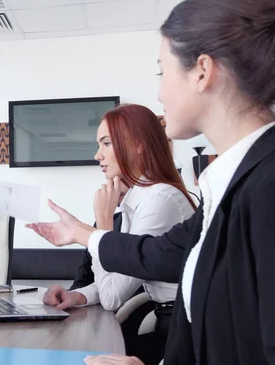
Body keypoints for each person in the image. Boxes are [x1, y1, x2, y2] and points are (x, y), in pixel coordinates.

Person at [28, 0, 275, 365]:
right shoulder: (230, 185)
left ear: (202, 72)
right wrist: (80, 231)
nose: (158, 93)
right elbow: (158, 254)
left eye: (162, 72)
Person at [41, 105, 195, 365]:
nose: (97, 155)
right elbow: (114, 281)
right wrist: (77, 296)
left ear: (137, 145)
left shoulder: (160, 199)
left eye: (106, 143)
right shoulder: (137, 201)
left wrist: (103, 225)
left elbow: (113, 296)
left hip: (184, 334)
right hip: (168, 324)